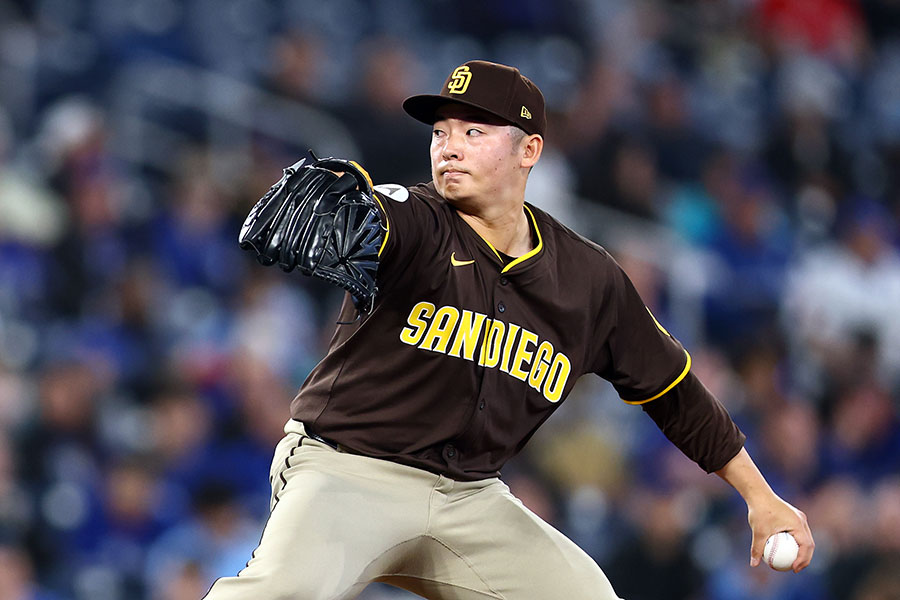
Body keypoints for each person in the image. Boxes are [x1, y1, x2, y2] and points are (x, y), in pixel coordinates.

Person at [203, 60, 814, 600]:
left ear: (529, 151)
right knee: (280, 593)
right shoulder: (417, 220)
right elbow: (380, 217)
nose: (448, 147)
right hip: (348, 470)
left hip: (470, 498)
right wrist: (361, 212)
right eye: (441, 132)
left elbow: (673, 391)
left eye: (474, 131)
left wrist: (760, 496)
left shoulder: (587, 279)